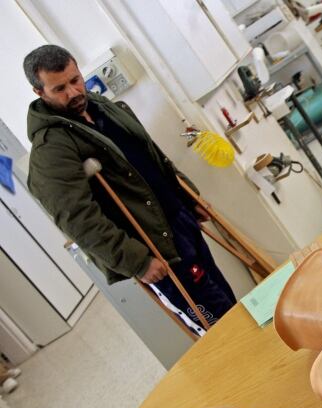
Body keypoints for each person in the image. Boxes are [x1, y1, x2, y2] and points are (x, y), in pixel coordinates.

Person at [23, 45, 236, 331]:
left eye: (75, 80)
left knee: (229, 304)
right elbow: (76, 219)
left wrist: (185, 195)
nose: (73, 93)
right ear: (40, 93)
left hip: (179, 222)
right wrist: (136, 261)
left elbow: (150, 154)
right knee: (217, 323)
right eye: (59, 88)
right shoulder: (51, 149)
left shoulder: (101, 106)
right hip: (155, 249)